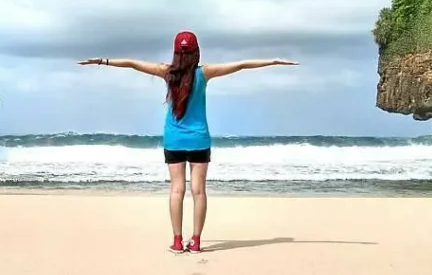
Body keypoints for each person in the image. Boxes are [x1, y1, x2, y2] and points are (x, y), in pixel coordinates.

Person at [78, 31, 297, 254]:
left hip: (174, 139)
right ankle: (196, 241)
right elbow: (240, 65)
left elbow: (133, 64)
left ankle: (177, 240)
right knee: (199, 191)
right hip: (199, 139)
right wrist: (273, 61)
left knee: (176, 190)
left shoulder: (166, 72)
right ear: (196, 52)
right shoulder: (204, 73)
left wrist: (102, 61)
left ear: (176, 51)